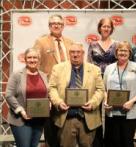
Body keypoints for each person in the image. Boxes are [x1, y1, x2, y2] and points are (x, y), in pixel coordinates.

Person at [49, 43, 105, 147]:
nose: (75, 55)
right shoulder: (58, 68)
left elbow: (100, 90)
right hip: (66, 118)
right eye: (72, 52)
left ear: (83, 53)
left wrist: (93, 103)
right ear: (69, 54)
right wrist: (58, 102)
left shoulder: (95, 69)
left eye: (78, 52)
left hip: (87, 117)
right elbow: (52, 88)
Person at [33, 14, 74, 147]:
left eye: (59, 24)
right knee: (50, 127)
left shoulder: (69, 42)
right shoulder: (41, 42)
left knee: (66, 127)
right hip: (49, 89)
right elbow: (35, 65)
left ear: (63, 26)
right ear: (49, 26)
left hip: (68, 88)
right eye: (53, 24)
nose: (56, 25)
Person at [103, 41, 136, 147]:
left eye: (125, 50)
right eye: (120, 50)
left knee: (127, 142)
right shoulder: (109, 68)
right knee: (113, 142)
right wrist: (105, 101)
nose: (123, 53)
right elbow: (104, 88)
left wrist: (132, 101)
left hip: (130, 111)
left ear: (130, 53)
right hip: (112, 112)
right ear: (116, 52)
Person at [5, 48, 48, 147]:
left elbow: (46, 93)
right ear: (25, 59)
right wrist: (21, 111)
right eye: (29, 57)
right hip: (21, 119)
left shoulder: (43, 75)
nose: (32, 60)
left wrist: (48, 103)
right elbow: (9, 95)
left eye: (34, 57)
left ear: (39, 59)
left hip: (39, 120)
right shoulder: (17, 75)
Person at [87, 17, 117, 147]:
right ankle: (97, 143)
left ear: (111, 29)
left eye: (108, 26)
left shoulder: (117, 44)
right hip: (96, 81)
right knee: (96, 112)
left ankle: (111, 141)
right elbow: (88, 63)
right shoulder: (93, 45)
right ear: (99, 28)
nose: (106, 28)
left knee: (111, 110)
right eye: (104, 26)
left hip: (112, 81)